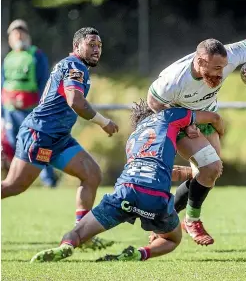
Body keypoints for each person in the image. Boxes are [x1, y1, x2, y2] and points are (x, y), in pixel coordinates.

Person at [30, 99, 225, 263]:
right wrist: (219, 135)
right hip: (154, 197)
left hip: (124, 192)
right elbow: (214, 118)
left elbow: (151, 167)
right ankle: (140, 253)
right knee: (172, 239)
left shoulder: (133, 138)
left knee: (77, 233)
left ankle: (67, 246)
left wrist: (189, 173)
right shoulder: (169, 116)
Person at [147, 37, 246, 245]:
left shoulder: (230, 55)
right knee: (210, 167)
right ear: (200, 61)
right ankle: (191, 221)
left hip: (207, 117)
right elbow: (153, 103)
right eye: (216, 68)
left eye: (224, 67)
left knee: (210, 173)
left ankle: (163, 216)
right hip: (180, 120)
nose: (221, 73)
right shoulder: (174, 79)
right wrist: (184, 122)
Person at [1, 27, 119, 250]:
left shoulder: (77, 66)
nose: (96, 49)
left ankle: (81, 234)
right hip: (40, 135)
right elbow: (76, 101)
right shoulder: (75, 66)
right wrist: (105, 122)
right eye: (91, 45)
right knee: (13, 186)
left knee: (92, 174)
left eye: (99, 46)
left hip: (59, 138)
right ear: (77, 47)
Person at [1, 19, 57, 187]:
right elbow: (3, 85)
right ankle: (17, 180)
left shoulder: (36, 55)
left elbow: (44, 83)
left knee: (40, 145)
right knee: (13, 145)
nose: (18, 35)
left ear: (27, 35)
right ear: (10, 37)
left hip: (32, 110)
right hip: (11, 111)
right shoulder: (8, 58)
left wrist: (42, 107)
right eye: (15, 33)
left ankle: (49, 180)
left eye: (21, 32)